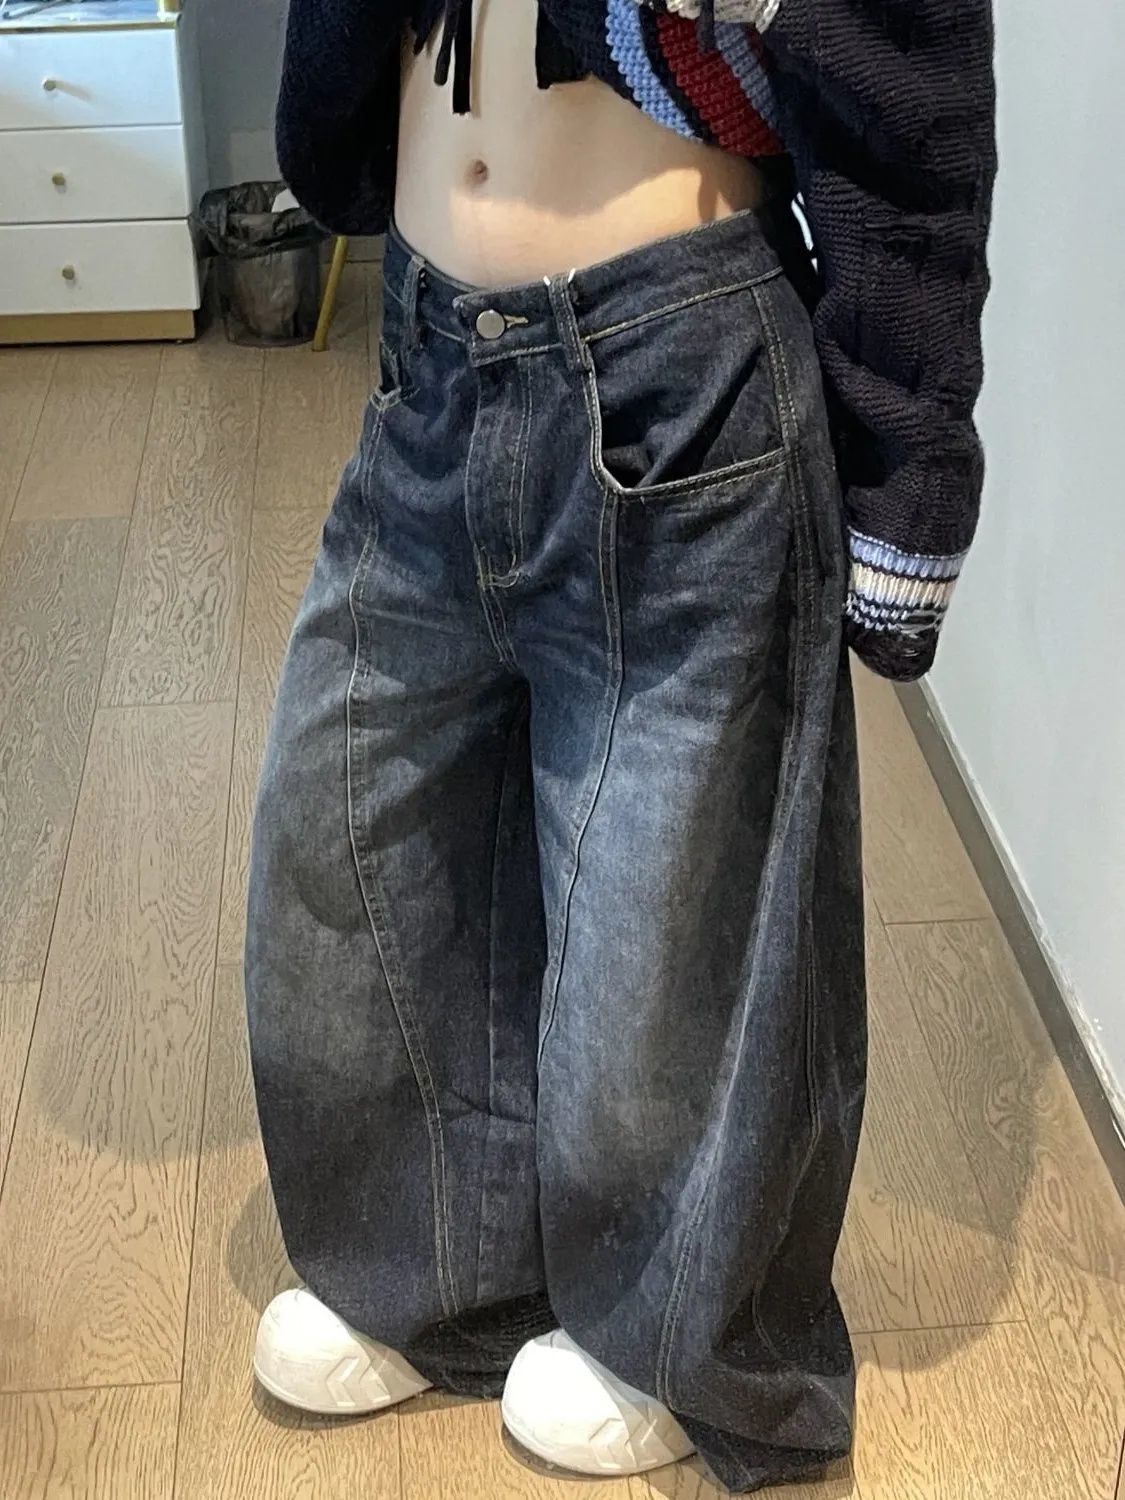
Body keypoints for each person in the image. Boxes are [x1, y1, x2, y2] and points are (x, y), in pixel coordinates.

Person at [244, 0, 996, 1490]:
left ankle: (668, 1329)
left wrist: (906, 470)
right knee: (358, 833)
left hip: (682, 372)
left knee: (670, 899)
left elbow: (912, 98)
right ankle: (430, 1264)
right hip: (428, 358)